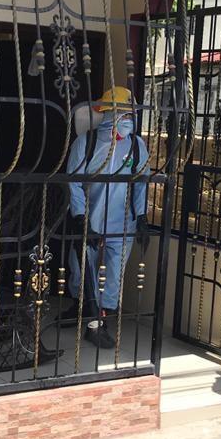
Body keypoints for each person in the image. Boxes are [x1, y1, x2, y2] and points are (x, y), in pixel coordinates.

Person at [64, 86, 150, 349]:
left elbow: (141, 183)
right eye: (124, 114)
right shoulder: (86, 143)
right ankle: (80, 306)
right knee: (81, 269)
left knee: (114, 275)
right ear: (109, 113)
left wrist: (142, 216)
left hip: (122, 221)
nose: (129, 119)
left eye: (131, 114)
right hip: (90, 218)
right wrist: (80, 217)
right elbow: (73, 183)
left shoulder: (136, 146)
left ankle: (98, 323)